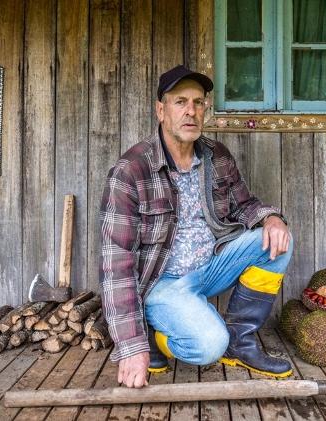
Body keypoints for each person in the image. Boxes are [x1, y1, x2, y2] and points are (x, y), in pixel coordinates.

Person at [100, 65, 293, 389]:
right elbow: (115, 266)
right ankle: (157, 336)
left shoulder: (216, 155)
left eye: (198, 102)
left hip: (212, 267)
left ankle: (239, 341)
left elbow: (244, 206)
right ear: (161, 110)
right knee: (207, 347)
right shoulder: (131, 171)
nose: (191, 111)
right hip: (163, 285)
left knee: (277, 240)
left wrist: (271, 219)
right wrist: (132, 348)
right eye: (180, 102)